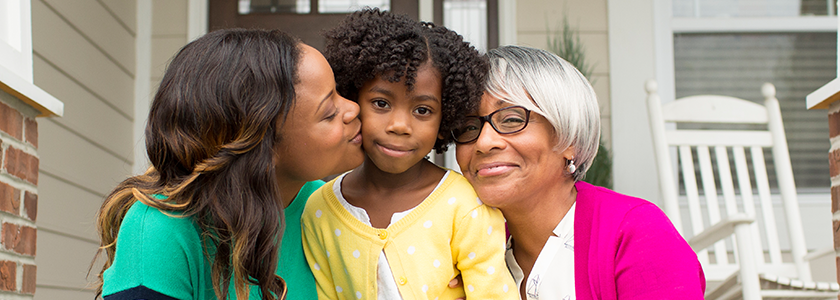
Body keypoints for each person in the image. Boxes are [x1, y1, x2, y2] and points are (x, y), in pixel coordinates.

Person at [93, 28, 365, 299]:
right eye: (329, 113)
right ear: (262, 145)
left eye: (338, 93)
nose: (353, 108)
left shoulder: (329, 208)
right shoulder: (159, 229)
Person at [452, 45, 706, 300]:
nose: (483, 143)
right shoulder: (468, 253)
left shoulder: (636, 234)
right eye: (468, 126)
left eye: (512, 119)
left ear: (569, 139)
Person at [301, 9, 517, 300]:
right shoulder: (319, 211)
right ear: (352, 100)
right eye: (381, 103)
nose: (400, 126)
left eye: (422, 110)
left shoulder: (465, 207)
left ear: (445, 121)